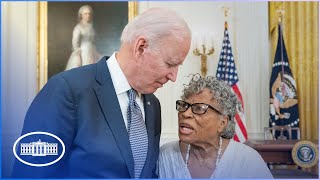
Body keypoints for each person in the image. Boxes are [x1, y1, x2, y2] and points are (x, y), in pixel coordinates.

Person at [12, 7, 191, 178]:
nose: (173, 76)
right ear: (141, 47)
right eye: (170, 63)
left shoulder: (153, 105)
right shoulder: (65, 90)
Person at [158, 75, 273, 179]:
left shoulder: (248, 160)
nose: (185, 113)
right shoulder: (166, 155)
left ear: (222, 123)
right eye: (184, 105)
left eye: (199, 108)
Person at [65, 5, 102, 70]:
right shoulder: (78, 27)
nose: (88, 15)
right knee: (84, 68)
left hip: (92, 50)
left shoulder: (91, 27)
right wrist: (78, 54)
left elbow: (93, 40)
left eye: (89, 14)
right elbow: (75, 42)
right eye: (85, 14)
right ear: (81, 15)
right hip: (83, 51)